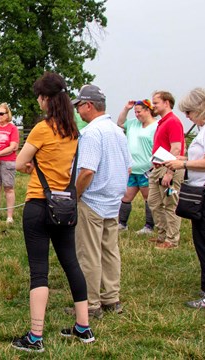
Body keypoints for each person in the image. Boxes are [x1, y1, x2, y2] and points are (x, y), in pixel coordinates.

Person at [13, 72, 93, 352]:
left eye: (39, 96)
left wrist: (31, 166)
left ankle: (35, 336)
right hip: (65, 205)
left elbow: (20, 162)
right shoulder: (73, 130)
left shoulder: (42, 129)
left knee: (39, 272)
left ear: (46, 99)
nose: (38, 100)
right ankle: (83, 327)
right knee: (71, 263)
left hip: (38, 203)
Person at [72, 85, 131, 318]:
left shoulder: (91, 133)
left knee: (89, 253)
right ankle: (112, 298)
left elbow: (87, 171)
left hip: (93, 200)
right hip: (112, 200)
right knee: (110, 250)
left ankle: (91, 303)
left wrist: (75, 196)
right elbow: (127, 166)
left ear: (88, 105)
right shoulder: (118, 131)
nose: (77, 110)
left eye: (79, 105)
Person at [163, 87, 205, 308]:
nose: (188, 117)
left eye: (190, 112)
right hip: (204, 191)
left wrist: (182, 163)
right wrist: (183, 159)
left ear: (200, 109)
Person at [148, 91, 185, 249]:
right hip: (158, 167)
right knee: (154, 202)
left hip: (169, 167)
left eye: (156, 103)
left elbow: (176, 148)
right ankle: (162, 234)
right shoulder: (162, 122)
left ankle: (171, 240)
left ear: (166, 103)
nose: (153, 106)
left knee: (170, 204)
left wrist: (170, 173)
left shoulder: (173, 122)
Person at [117, 99, 158, 234]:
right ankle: (122, 223)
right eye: (135, 112)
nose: (137, 115)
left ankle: (149, 226)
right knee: (126, 196)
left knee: (148, 197)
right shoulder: (133, 124)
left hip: (147, 168)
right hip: (132, 168)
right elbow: (120, 123)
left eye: (139, 111)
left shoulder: (156, 126)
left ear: (148, 110)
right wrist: (126, 108)